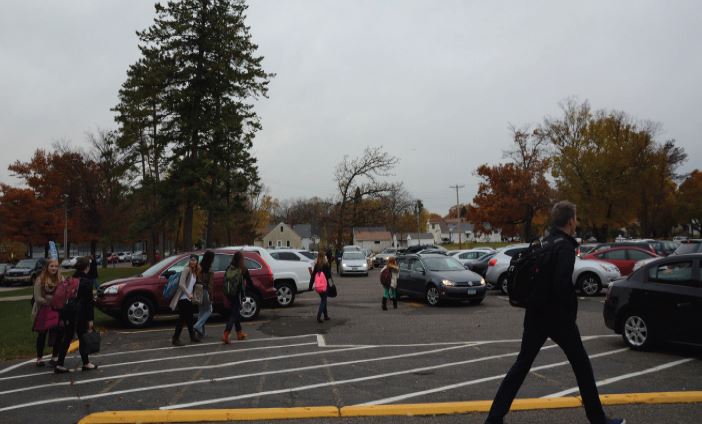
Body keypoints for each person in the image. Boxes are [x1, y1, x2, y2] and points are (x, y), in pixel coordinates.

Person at [484, 201, 624, 424]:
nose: (576, 222)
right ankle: (598, 419)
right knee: (582, 367)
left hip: (535, 314)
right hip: (558, 317)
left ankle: (494, 418)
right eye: (575, 218)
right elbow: (562, 285)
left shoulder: (544, 243)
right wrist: (571, 311)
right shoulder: (565, 247)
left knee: (521, 365)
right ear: (570, 221)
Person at [55, 257, 98, 373]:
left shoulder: (71, 279)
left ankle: (59, 363)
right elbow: (88, 303)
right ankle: (86, 363)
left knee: (67, 337)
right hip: (81, 314)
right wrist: (90, 319)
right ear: (87, 267)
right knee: (82, 337)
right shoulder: (86, 282)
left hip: (68, 312)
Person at [32, 258, 62, 367]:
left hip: (56, 309)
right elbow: (37, 297)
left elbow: (63, 293)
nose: (54, 268)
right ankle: (39, 358)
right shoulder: (40, 279)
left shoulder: (60, 279)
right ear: (47, 267)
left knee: (57, 333)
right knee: (42, 334)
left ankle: (54, 357)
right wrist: (50, 301)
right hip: (43, 310)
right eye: (51, 266)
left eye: (56, 266)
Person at [169, 254, 201, 346]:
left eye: (194, 260)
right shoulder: (186, 269)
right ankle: (175, 338)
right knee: (182, 319)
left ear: (197, 262)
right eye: (191, 260)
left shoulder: (194, 272)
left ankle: (192, 336)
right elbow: (181, 284)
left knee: (190, 318)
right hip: (183, 298)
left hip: (189, 299)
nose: (192, 261)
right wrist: (188, 294)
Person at [222, 251, 253, 344]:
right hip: (237, 294)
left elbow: (224, 279)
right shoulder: (243, 269)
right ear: (241, 259)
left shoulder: (229, 268)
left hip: (228, 293)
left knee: (235, 312)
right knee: (234, 313)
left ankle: (239, 333)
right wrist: (249, 288)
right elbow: (250, 282)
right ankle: (226, 334)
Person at [193, 251, 215, 338]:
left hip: (197, 290)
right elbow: (210, 285)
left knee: (201, 311)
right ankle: (197, 326)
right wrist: (211, 297)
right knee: (209, 309)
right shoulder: (210, 270)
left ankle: (201, 332)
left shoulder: (198, 268)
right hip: (205, 291)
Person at [309, 253, 331, 323]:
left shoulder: (316, 266)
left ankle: (326, 316)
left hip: (318, 287)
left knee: (324, 300)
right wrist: (331, 285)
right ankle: (319, 316)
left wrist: (310, 285)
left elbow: (313, 276)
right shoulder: (326, 265)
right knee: (323, 301)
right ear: (324, 257)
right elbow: (329, 276)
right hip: (324, 286)